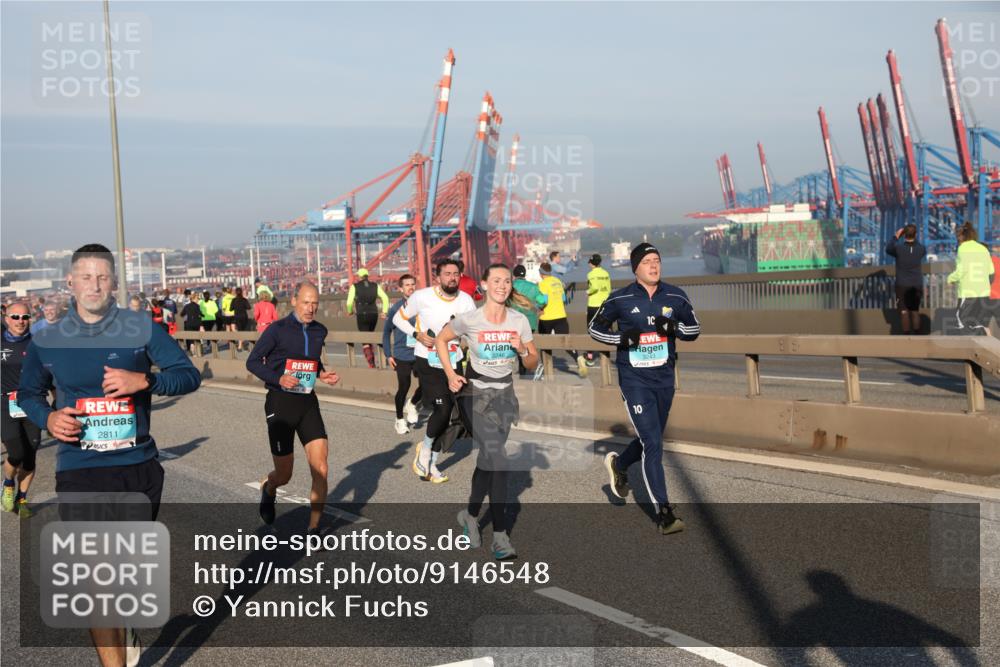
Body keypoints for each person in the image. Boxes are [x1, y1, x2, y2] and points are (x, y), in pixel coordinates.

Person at [17, 243, 201, 665]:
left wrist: (146, 381)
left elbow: (188, 376)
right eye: (86, 277)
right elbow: (28, 393)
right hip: (80, 470)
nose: (94, 285)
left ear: (115, 284)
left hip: (137, 469)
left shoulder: (142, 328)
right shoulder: (49, 339)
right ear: (70, 282)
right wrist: (47, 418)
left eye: (103, 277)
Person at [588, 242, 701, 535]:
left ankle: (620, 465)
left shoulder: (676, 296)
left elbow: (695, 330)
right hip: (634, 379)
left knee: (650, 438)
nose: (654, 266)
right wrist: (622, 339)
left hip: (664, 379)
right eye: (648, 261)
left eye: (657, 261)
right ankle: (664, 513)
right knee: (653, 443)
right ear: (636, 267)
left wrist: (674, 329)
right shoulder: (620, 299)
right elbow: (594, 328)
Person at [437, 264, 539, 559]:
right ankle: (500, 537)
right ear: (483, 285)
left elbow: (533, 362)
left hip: (505, 396)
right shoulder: (469, 319)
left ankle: (470, 515)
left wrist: (521, 349)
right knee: (498, 458)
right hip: (475, 394)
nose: (502, 285)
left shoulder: (519, 320)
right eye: (496, 281)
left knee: (488, 460)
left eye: (507, 281)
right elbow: (443, 340)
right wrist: (449, 374)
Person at [247, 282, 339, 534]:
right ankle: (270, 487)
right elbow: (253, 361)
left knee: (321, 467)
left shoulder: (320, 330)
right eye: (306, 302)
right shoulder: (277, 330)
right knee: (284, 474)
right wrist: (279, 378)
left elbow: (311, 360)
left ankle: (313, 530)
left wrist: (322, 374)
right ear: (294, 301)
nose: (311, 308)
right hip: (280, 402)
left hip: (307, 403)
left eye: (315, 303)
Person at [392, 259, 476, 483]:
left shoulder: (466, 301)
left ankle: (431, 463)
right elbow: (397, 318)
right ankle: (426, 451)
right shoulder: (422, 296)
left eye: (456, 274)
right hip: (427, 360)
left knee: (454, 416)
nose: (452, 278)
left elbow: (474, 331)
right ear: (437, 277)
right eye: (447, 274)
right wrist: (415, 334)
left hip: (454, 360)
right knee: (442, 407)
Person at [2, 302, 42, 518]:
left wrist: (56, 402)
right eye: (15, 316)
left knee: (30, 457)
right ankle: (8, 484)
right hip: (5, 404)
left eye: (24, 316)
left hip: (34, 403)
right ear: (6, 318)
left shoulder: (37, 344)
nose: (20, 320)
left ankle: (22, 498)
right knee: (16, 452)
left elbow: (50, 374)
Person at [383, 274, 423, 435]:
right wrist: (388, 354)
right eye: (407, 285)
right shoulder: (395, 309)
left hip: (420, 352)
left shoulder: (422, 306)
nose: (410, 287)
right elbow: (386, 333)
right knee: (404, 386)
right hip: (402, 354)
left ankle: (412, 404)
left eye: (413, 284)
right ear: (401, 288)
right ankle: (399, 420)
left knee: (427, 385)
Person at [538, 262, 587, 378]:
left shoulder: (542, 284)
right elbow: (564, 299)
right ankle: (578, 358)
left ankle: (546, 370)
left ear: (541, 273)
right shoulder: (558, 282)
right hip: (561, 315)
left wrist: (539, 308)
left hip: (547, 317)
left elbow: (543, 301)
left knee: (544, 343)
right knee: (565, 342)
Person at [947, 222, 995, 336]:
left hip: (968, 292)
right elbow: (991, 272)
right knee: (978, 323)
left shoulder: (963, 248)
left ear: (961, 237)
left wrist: (950, 279)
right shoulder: (983, 249)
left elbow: (961, 270)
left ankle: (985, 332)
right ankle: (988, 341)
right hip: (984, 293)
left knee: (962, 322)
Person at [885, 225, 927, 335]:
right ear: (916, 235)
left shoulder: (898, 248)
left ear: (904, 235)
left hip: (901, 285)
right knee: (915, 311)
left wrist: (896, 236)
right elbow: (919, 248)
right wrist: (913, 237)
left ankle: (907, 336)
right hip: (916, 284)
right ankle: (917, 334)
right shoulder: (921, 249)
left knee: (904, 311)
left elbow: (888, 249)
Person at [346, 268, 389, 369]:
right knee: (369, 335)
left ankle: (371, 362)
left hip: (362, 314)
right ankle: (374, 359)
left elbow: (349, 302)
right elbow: (385, 298)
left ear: (359, 276)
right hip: (374, 314)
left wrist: (350, 311)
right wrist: (384, 311)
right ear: (367, 276)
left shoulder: (355, 286)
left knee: (365, 340)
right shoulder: (375, 286)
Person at [586, 253, 612, 364]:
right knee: (605, 329)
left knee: (591, 329)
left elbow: (594, 287)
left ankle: (590, 357)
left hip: (594, 304)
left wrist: (588, 291)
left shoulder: (591, 274)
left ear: (591, 263)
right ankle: (606, 354)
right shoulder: (606, 273)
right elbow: (609, 288)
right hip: (606, 304)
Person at [231, 287, 252, 351]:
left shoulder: (234, 300)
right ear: (242, 292)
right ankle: (241, 344)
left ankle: (240, 346)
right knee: (242, 330)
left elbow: (231, 308)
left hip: (237, 317)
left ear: (235, 293)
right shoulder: (244, 300)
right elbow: (249, 307)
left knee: (238, 330)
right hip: (244, 317)